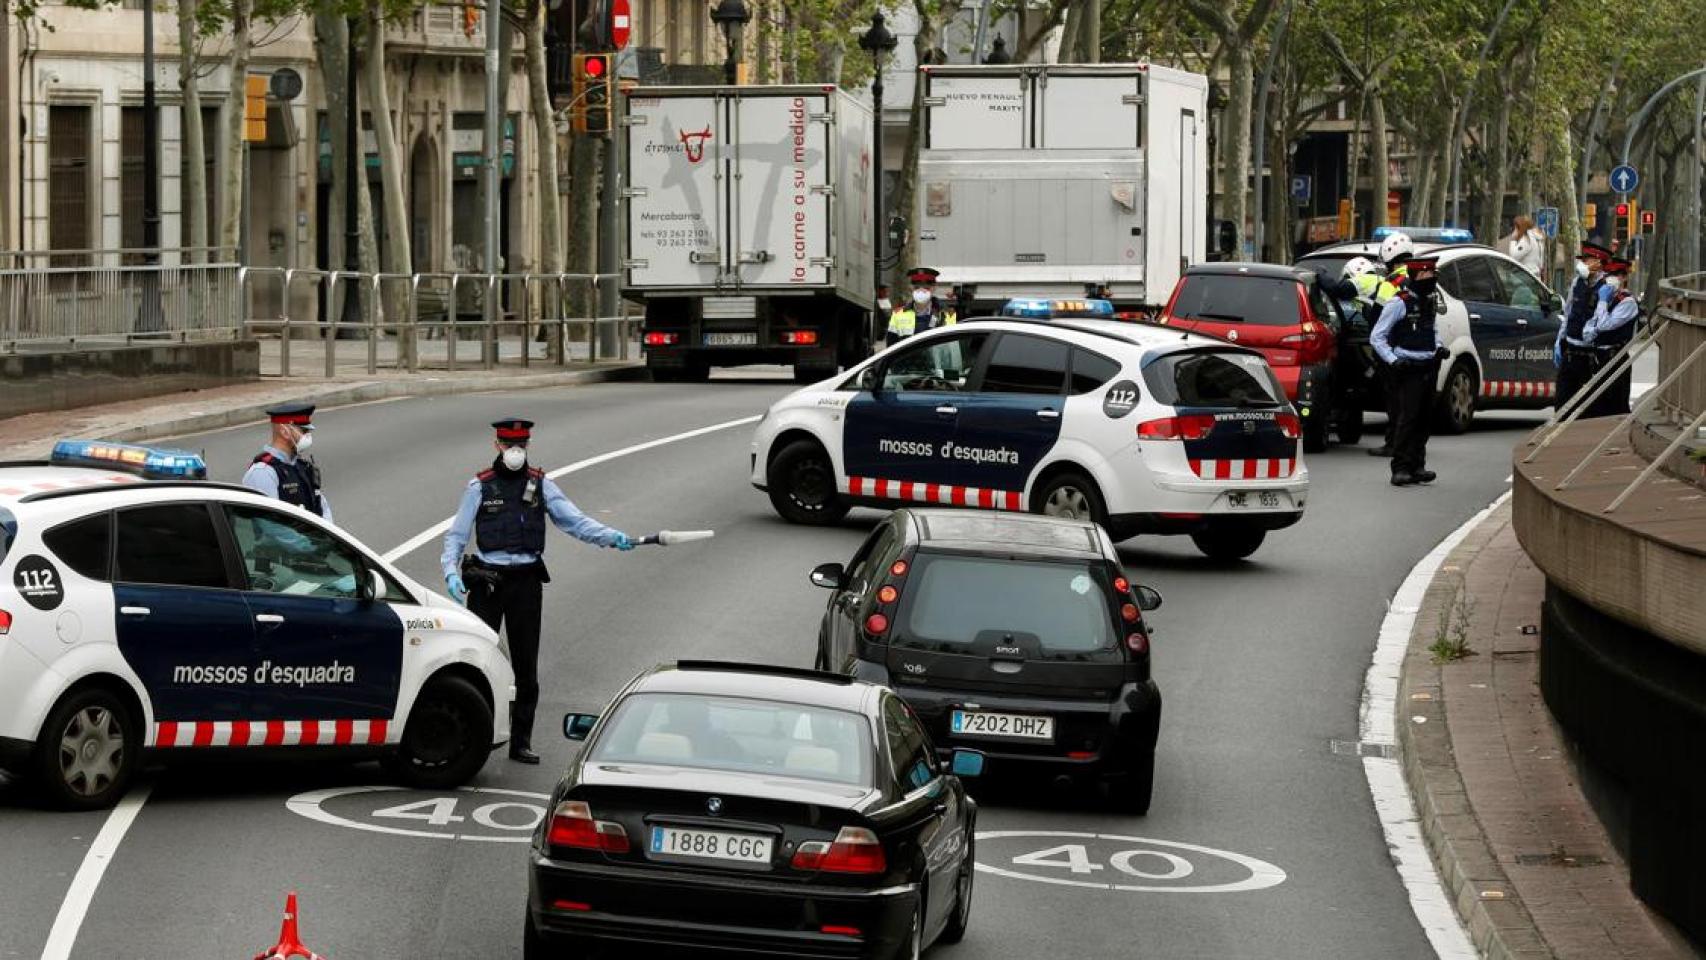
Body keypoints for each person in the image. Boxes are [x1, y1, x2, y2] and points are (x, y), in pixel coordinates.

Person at [440, 418, 635, 764]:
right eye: (508, 443)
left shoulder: (542, 485)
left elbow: (575, 522)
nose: (515, 451)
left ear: (527, 445)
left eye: (521, 444)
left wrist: (611, 537)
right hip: (488, 581)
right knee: (475, 660)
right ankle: (470, 737)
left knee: (525, 665)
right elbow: (456, 535)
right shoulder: (480, 486)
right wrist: (450, 573)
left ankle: (520, 742)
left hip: (526, 582)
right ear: (496, 445)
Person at [1371, 257, 1448, 487]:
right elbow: (1377, 336)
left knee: (1424, 419)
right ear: (1415, 276)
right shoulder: (1399, 302)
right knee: (1408, 417)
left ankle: (1417, 466)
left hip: (1428, 365)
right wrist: (1393, 360)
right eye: (1427, 275)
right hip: (1408, 367)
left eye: (1433, 274)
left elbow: (1432, 329)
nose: (1431, 278)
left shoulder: (1429, 300)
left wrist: (1439, 347)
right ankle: (1401, 467)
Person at [242, 402, 331, 519]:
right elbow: (270, 525)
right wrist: (303, 538)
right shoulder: (263, 473)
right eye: (304, 431)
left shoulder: (304, 467)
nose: (308, 436)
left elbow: (321, 508)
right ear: (284, 432)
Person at [1554, 241, 1613, 409]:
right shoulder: (1577, 282)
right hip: (1571, 351)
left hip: (1590, 356)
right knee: (1561, 402)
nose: (1584, 264)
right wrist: (1560, 339)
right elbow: (1568, 312)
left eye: (1588, 260)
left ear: (1599, 263)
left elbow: (1602, 322)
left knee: (1587, 406)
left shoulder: (1606, 287)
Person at [1580, 258, 1639, 419]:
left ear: (1624, 277)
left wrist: (1603, 302)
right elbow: (1589, 328)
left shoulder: (1627, 302)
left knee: (1616, 408)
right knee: (1598, 407)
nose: (1611, 279)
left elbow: (1604, 325)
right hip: (1599, 357)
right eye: (1609, 274)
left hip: (1616, 358)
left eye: (1617, 275)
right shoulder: (1605, 298)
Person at [884, 267, 958, 346]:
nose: (921, 291)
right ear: (911, 289)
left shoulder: (948, 313)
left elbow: (951, 345)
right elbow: (891, 348)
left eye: (926, 288)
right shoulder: (898, 314)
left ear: (934, 288)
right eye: (917, 287)